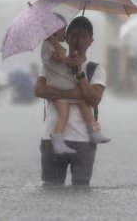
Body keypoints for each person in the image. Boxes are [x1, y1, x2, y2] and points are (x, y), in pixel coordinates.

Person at [35, 16, 107, 186]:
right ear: (66, 38)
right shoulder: (51, 64)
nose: (78, 41)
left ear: (91, 41)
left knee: (81, 191)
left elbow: (94, 99)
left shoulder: (95, 69)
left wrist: (80, 75)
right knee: (50, 190)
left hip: (83, 142)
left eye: (84, 37)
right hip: (51, 139)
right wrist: (74, 93)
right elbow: (39, 90)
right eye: (74, 36)